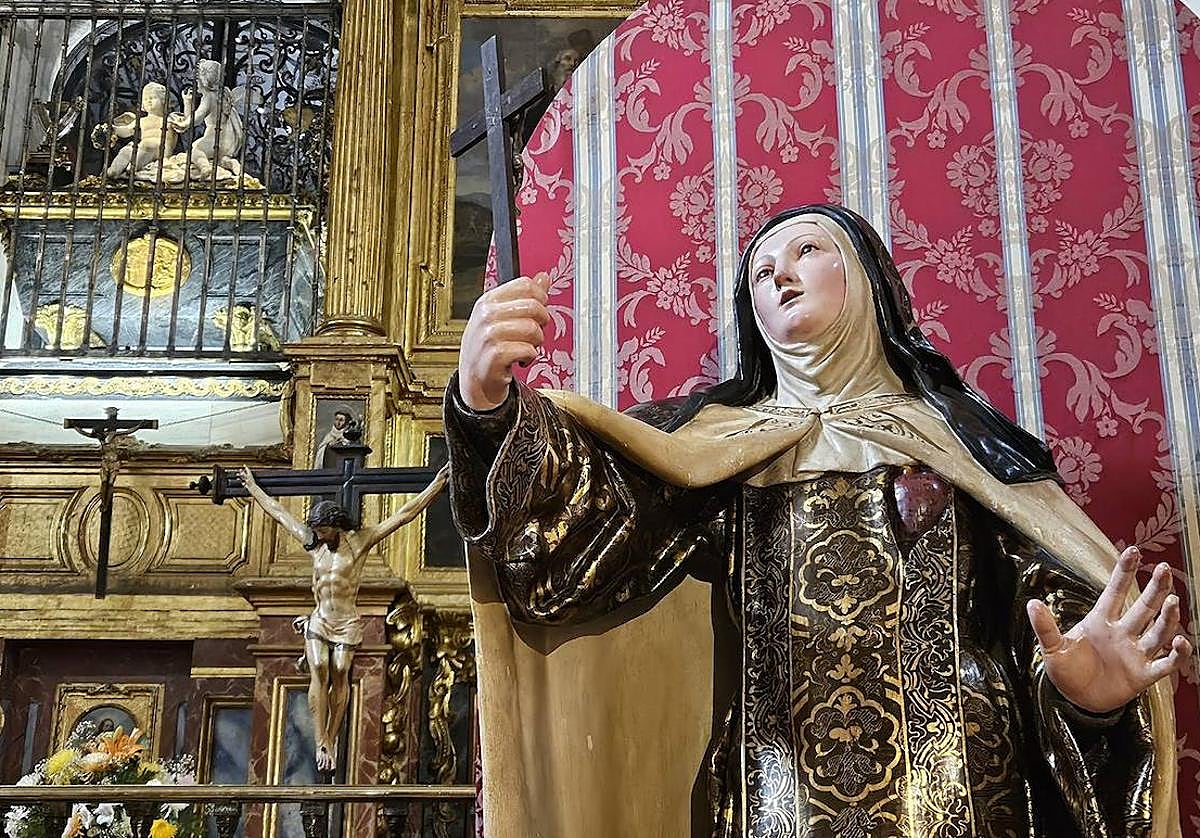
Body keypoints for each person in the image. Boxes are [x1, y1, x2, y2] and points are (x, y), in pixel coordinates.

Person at [446, 204, 1186, 837]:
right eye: (762, 272)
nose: (780, 275)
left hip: (964, 795)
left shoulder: (969, 448)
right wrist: (486, 406)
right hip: (777, 798)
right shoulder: (711, 450)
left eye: (806, 250)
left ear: (867, 280)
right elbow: (579, 531)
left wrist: (1085, 700)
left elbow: (1052, 610)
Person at [239, 465, 448, 772]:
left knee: (340, 671)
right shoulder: (313, 544)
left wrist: (435, 486)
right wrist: (253, 488)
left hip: (347, 621)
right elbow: (280, 515)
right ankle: (321, 739)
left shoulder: (360, 542)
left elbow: (403, 514)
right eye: (317, 531)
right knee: (320, 668)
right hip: (320, 618)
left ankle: (330, 739)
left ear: (336, 526)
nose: (319, 536)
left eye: (323, 530)